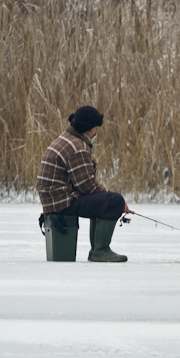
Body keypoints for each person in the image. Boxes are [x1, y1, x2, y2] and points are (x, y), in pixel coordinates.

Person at [37, 106, 130, 263]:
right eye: (96, 127)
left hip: (54, 200)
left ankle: (97, 250)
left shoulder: (65, 139)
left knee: (104, 199)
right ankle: (100, 250)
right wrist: (115, 199)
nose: (97, 132)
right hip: (62, 202)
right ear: (88, 128)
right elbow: (88, 187)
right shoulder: (77, 147)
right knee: (113, 200)